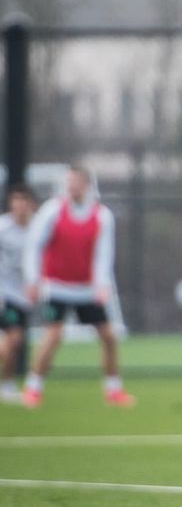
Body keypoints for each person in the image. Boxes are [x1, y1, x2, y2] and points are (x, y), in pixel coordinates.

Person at [21, 165, 134, 408]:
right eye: (68, 182)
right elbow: (34, 246)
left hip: (86, 289)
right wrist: (33, 280)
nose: (70, 187)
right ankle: (33, 388)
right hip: (57, 287)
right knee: (53, 336)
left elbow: (104, 254)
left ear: (87, 185)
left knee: (108, 337)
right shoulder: (52, 211)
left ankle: (113, 390)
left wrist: (102, 285)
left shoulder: (102, 216)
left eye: (75, 182)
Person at [0, 184, 36, 403]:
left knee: (14, 343)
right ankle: (7, 384)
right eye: (16, 200)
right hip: (4, 293)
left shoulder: (38, 228)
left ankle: (7, 384)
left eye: (24, 200)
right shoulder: (2, 228)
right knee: (13, 340)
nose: (20, 205)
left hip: (22, 296)